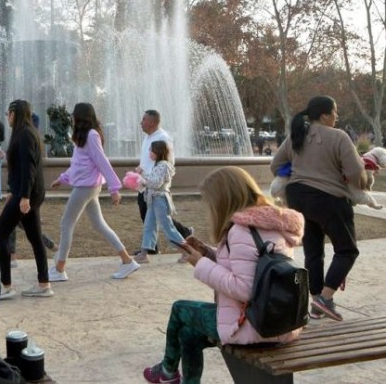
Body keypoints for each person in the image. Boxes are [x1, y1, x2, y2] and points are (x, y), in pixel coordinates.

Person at [143, 167, 305, 384]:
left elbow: (244, 289)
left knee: (180, 309)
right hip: (277, 323)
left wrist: (200, 263)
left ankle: (167, 371)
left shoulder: (241, 231)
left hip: (251, 327)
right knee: (188, 333)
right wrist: (208, 253)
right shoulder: (271, 225)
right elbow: (250, 268)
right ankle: (175, 376)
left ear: (223, 200)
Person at [271, 96, 365, 321]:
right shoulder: (339, 136)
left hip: (297, 197)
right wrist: (363, 177)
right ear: (324, 115)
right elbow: (355, 175)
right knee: (347, 250)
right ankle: (325, 298)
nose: (337, 117)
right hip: (328, 198)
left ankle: (315, 304)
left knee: (314, 252)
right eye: (335, 112)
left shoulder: (297, 136)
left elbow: (275, 165)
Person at [49, 102, 139, 281]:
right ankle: (127, 261)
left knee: (66, 224)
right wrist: (63, 178)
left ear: (80, 117)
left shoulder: (91, 135)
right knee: (99, 224)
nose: (71, 118)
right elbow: (78, 162)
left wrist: (114, 188)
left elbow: (102, 161)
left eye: (74, 115)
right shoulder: (83, 136)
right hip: (86, 185)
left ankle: (59, 269)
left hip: (86, 187)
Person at [0, 99, 52, 299]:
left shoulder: (25, 134)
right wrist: (14, 189)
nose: (7, 117)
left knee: (0, 234)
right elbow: (21, 167)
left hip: (27, 194)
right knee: (35, 238)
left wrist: (24, 196)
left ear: (15, 114)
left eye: (8, 113)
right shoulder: (25, 133)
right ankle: (44, 284)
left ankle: (7, 286)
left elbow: (29, 168)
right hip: (26, 192)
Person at [135, 110, 192, 255]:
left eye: (144, 120)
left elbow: (168, 163)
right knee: (149, 219)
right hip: (147, 184)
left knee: (163, 221)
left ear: (152, 122)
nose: (141, 122)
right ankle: (148, 249)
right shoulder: (148, 137)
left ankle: (184, 239)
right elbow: (146, 162)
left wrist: (162, 183)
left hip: (157, 188)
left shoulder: (163, 138)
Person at [133, 141, 186, 263]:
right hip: (154, 199)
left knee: (167, 226)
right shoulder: (160, 165)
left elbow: (156, 183)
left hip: (159, 199)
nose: (149, 153)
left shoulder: (163, 166)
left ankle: (186, 251)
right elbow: (154, 182)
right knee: (149, 226)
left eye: (151, 150)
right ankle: (144, 253)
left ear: (158, 151)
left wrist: (143, 174)